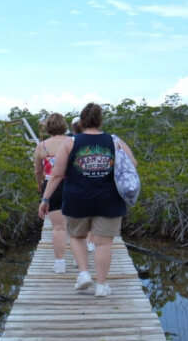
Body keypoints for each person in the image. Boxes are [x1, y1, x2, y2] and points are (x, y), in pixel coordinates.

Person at [38, 103, 137, 296]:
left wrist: (45, 199)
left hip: (77, 199)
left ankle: (83, 273)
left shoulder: (71, 142)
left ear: (82, 121)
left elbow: (57, 174)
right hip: (109, 200)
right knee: (104, 244)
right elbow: (133, 163)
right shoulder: (114, 140)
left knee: (76, 237)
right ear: (100, 121)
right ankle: (101, 285)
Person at [33, 113, 70, 274]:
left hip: (52, 187)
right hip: (73, 186)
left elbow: (38, 170)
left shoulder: (42, 146)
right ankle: (80, 262)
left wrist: (40, 185)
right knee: (77, 226)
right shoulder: (72, 142)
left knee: (58, 228)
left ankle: (60, 263)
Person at [69, 116, 95, 253]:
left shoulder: (71, 142)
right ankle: (90, 242)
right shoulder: (93, 141)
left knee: (79, 222)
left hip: (77, 188)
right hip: (95, 185)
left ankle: (82, 248)